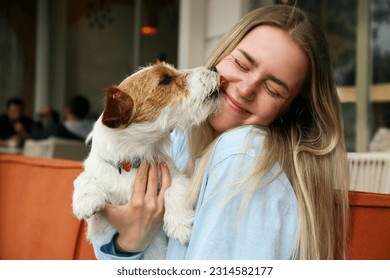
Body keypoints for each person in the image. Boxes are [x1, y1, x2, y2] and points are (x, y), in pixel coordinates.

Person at [91, 5, 350, 260]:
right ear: (220, 56)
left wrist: (130, 242)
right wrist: (131, 242)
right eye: (241, 64)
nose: (246, 89)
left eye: (273, 90)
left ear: (289, 111)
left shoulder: (243, 154)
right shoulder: (177, 139)